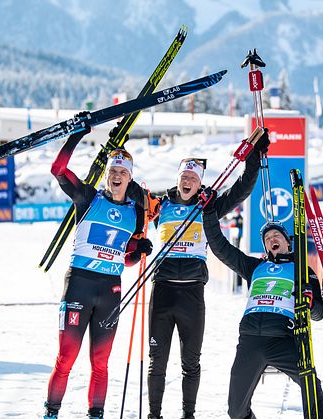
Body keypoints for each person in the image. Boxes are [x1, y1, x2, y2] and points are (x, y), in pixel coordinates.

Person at [126, 132, 270, 419]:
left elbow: (241, 190)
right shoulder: (160, 205)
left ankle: (188, 415)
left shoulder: (209, 208)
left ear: (200, 181)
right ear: (178, 178)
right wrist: (119, 150)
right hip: (163, 290)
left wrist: (253, 159)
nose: (188, 181)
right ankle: (154, 415)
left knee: (190, 363)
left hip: (192, 294)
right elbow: (128, 191)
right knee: (158, 362)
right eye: (184, 176)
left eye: (193, 177)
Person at [44, 118, 153, 419]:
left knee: (101, 363)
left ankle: (96, 413)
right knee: (65, 358)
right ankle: (51, 412)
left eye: (122, 172)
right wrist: (75, 137)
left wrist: (138, 250)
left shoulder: (135, 213)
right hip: (79, 282)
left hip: (110, 290)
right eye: (113, 171)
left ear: (129, 178)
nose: (117, 176)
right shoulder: (88, 198)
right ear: (107, 174)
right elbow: (58, 170)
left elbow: (126, 258)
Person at [202, 193, 323, 419]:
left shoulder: (302, 270)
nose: (272, 238)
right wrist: (208, 213)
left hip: (283, 339)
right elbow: (221, 248)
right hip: (250, 340)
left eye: (277, 235)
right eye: (268, 237)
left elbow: (319, 313)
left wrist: (309, 302)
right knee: (236, 410)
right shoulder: (255, 267)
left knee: (311, 384)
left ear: (287, 241)